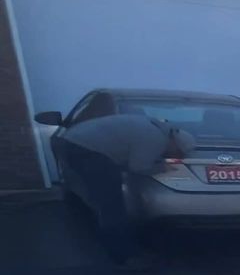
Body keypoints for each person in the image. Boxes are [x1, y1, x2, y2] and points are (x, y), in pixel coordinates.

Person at [61, 113, 195, 265]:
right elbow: (138, 166)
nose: (173, 156)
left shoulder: (156, 128)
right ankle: (124, 258)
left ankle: (127, 251)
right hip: (85, 149)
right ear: (175, 143)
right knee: (112, 206)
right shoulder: (154, 138)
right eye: (178, 153)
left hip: (75, 142)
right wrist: (162, 167)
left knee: (109, 203)